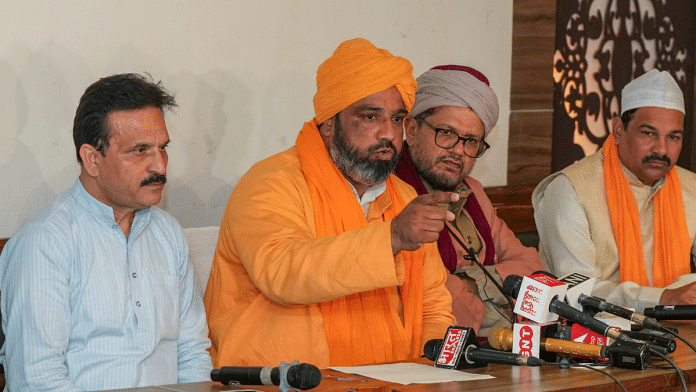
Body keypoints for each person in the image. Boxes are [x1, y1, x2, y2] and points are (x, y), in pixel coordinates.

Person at [204, 38, 456, 368]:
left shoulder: (404, 197)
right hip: (280, 383)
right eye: (369, 116)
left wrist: (431, 363)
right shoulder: (270, 183)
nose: (388, 134)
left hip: (392, 378)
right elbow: (283, 273)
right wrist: (391, 238)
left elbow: (432, 302)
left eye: (397, 119)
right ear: (328, 125)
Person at [0, 73, 213, 391]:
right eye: (140, 150)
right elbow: (38, 379)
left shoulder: (168, 233)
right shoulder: (46, 242)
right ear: (92, 159)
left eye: (162, 148)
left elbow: (193, 354)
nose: (160, 166)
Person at [394, 65, 542, 336]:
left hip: (497, 347)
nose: (459, 151)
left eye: (472, 141)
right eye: (447, 133)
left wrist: (471, 282)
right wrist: (495, 287)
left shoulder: (473, 193)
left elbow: (531, 266)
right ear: (412, 130)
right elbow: (434, 295)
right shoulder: (387, 192)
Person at [533, 69, 696, 312]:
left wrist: (678, 297)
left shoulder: (690, 187)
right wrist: (661, 299)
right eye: (648, 133)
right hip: (591, 339)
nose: (661, 149)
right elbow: (578, 291)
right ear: (619, 129)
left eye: (673, 137)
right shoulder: (570, 189)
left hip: (681, 330)